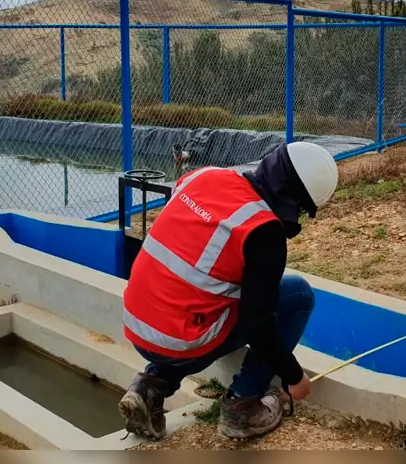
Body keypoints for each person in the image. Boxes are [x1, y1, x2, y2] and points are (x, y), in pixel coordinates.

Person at [117, 141, 338, 440]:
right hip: (179, 341)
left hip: (136, 321)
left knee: (206, 301)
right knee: (297, 295)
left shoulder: (205, 175)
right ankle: (243, 405)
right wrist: (294, 376)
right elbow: (258, 324)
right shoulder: (263, 230)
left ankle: (150, 386)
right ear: (295, 200)